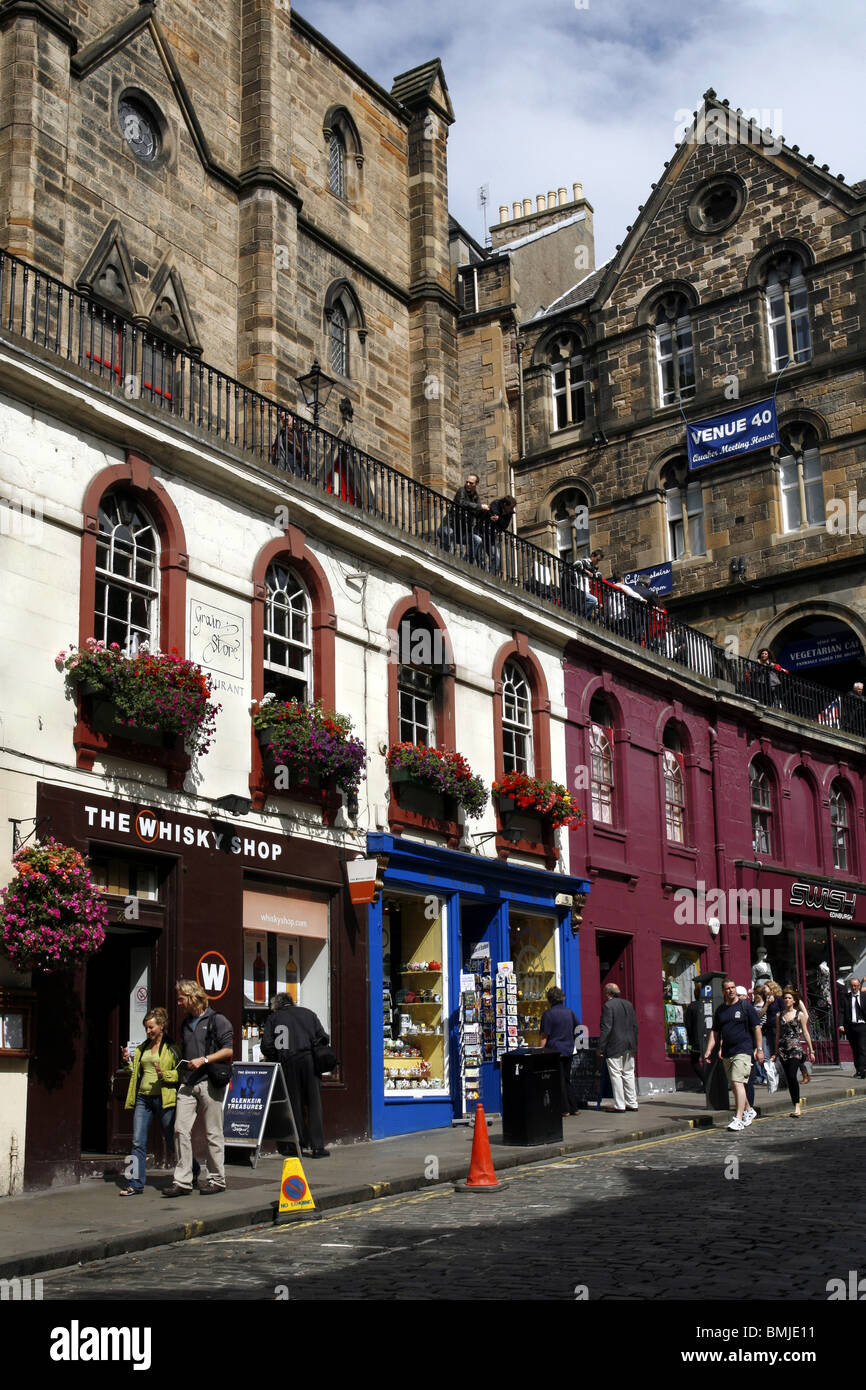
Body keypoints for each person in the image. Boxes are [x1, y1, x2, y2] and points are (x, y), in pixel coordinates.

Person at [163, 979, 233, 1197]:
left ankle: (217, 1179)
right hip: (188, 1082)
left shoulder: (217, 1020)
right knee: (180, 1130)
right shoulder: (185, 1024)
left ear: (192, 996)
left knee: (213, 1132)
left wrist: (203, 1060)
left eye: (181, 998)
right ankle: (183, 1181)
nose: (179, 1003)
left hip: (210, 1082)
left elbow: (228, 1051)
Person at [261, 992, 331, 1157]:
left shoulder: (274, 1018)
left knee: (294, 1103)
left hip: (287, 1062)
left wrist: (275, 1056)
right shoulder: (308, 1014)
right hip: (310, 1061)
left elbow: (267, 1046)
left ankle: (296, 1144)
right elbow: (323, 1038)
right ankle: (318, 1147)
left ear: (276, 1005)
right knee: (314, 1103)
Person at [120, 1008, 181, 1196]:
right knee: (137, 1141)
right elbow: (136, 1072)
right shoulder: (142, 1048)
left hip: (163, 1098)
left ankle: (191, 1170)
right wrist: (126, 1062)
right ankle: (135, 1184)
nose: (148, 1031)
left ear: (161, 1026)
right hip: (143, 1098)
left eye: (151, 1027)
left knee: (172, 1140)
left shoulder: (172, 1048)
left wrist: (166, 1075)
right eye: (146, 1028)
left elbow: (181, 1073)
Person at [704, 977, 764, 1131]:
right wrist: (709, 1050)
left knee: (738, 1083)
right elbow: (715, 1032)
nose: (730, 990)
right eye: (727, 988)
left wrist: (759, 1049)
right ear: (723, 991)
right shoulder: (721, 1010)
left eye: (733, 987)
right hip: (728, 1052)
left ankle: (738, 1118)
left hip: (743, 1050)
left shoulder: (745, 1007)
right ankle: (749, 1111)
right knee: (735, 1083)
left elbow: (757, 1027)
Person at [538, 986, 581, 1116]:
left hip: (554, 1050)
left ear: (549, 999)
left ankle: (564, 1109)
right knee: (567, 1078)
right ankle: (574, 1107)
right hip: (568, 1049)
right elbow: (578, 1029)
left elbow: (544, 1036)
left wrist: (541, 1051)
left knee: (558, 1079)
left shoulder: (548, 1014)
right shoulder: (569, 1012)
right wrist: (571, 1039)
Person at [775, 986, 815, 1117]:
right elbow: (778, 1034)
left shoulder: (800, 1015)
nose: (786, 1000)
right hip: (783, 1049)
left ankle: (797, 1106)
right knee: (789, 1079)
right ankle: (795, 1104)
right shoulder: (779, 1015)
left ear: (794, 1001)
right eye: (785, 998)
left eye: (789, 998)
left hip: (795, 1048)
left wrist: (811, 1050)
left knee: (792, 1076)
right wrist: (775, 1051)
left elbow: (805, 1032)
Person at [598, 982, 639, 1112]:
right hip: (629, 1044)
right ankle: (632, 1103)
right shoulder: (628, 1004)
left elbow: (606, 1028)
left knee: (616, 1075)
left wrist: (600, 1048)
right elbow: (635, 1026)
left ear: (608, 993)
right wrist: (634, 1043)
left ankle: (620, 1105)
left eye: (605, 992)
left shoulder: (608, 1006)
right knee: (628, 1074)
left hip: (615, 1045)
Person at [442, 472, 488, 563]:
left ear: (476, 484)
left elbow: (477, 512)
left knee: (477, 540)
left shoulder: (475, 497)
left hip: (461, 532)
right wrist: (480, 507)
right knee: (449, 535)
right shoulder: (461, 490)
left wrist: (488, 514)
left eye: (471, 483)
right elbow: (462, 503)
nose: (467, 484)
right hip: (450, 526)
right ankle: (448, 561)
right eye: (467, 482)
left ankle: (467, 562)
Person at [839, 975, 866, 1077]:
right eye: (852, 986)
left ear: (859, 986)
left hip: (862, 1025)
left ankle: (863, 1070)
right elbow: (841, 1012)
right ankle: (858, 1069)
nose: (854, 988)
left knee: (862, 1048)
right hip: (850, 1026)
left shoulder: (864, 996)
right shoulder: (846, 997)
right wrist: (840, 1025)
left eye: (856, 986)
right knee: (855, 1049)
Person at [683, 984, 705, 1085]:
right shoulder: (708, 1005)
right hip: (708, 1039)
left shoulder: (692, 1007)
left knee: (695, 1061)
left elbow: (688, 1025)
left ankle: (706, 1081)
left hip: (695, 1040)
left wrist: (690, 1040)